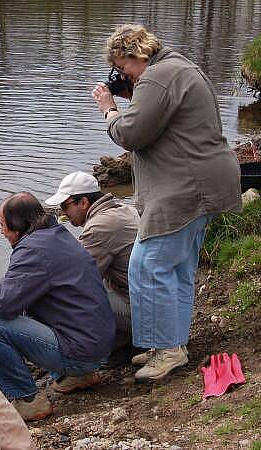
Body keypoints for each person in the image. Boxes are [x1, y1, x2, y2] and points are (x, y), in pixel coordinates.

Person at [91, 24, 242, 381]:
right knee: (176, 267)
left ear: (134, 55)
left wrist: (109, 109)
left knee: (149, 265)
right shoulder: (175, 68)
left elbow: (130, 134)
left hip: (186, 186)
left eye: (121, 67)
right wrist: (135, 99)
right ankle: (170, 344)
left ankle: (168, 350)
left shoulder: (158, 76)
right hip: (201, 180)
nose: (120, 75)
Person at [0, 192, 115, 421]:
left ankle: (27, 400)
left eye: (2, 225)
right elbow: (15, 290)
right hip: (98, 344)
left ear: (18, 224)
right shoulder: (56, 235)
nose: (1, 231)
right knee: (29, 304)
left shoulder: (32, 250)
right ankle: (80, 376)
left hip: (82, 352)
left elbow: (2, 303)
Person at [44, 171, 140, 391]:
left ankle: (76, 371)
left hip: (143, 310)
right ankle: (122, 346)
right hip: (150, 299)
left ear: (84, 202)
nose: (63, 213)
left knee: (57, 299)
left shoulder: (99, 227)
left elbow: (72, 281)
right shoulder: (121, 209)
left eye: (65, 207)